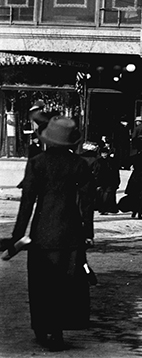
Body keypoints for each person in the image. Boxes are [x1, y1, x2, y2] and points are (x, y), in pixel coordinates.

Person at [3, 115, 95, 350]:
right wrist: (88, 233)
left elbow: (27, 203)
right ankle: (58, 331)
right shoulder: (79, 165)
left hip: (42, 231)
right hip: (71, 231)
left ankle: (44, 328)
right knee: (65, 283)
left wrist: (16, 238)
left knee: (41, 282)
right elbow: (86, 202)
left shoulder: (37, 162)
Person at [120, 137, 142, 219]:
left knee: (135, 194)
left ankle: (135, 211)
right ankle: (139, 212)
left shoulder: (138, 154)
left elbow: (128, 161)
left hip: (137, 177)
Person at [93, 144, 120, 214]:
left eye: (105, 153)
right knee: (102, 196)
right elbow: (96, 172)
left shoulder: (112, 161)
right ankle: (103, 209)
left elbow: (115, 172)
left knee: (107, 196)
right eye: (103, 153)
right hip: (101, 181)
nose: (104, 154)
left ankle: (104, 209)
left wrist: (117, 182)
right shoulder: (98, 162)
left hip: (110, 181)